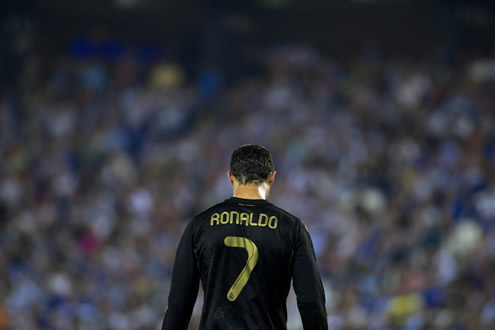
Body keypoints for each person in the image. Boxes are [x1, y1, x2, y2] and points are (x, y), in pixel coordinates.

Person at [162, 144, 328, 330]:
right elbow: (311, 303)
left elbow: (178, 305)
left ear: (230, 177)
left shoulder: (200, 225)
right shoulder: (291, 228)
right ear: (272, 177)